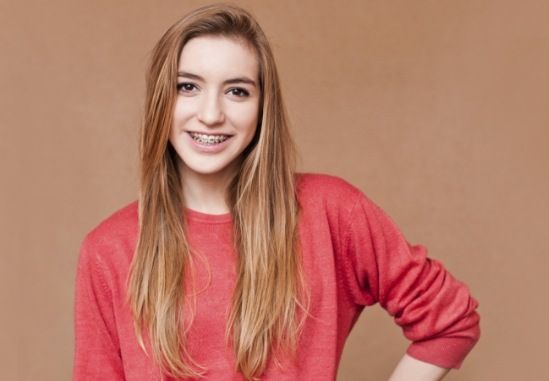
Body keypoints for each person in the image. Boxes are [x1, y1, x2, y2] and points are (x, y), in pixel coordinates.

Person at [73, 3, 480, 381]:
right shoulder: (109, 249)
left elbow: (449, 322)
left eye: (237, 91)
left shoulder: (330, 212)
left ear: (262, 108)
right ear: (162, 100)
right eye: (188, 87)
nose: (212, 114)